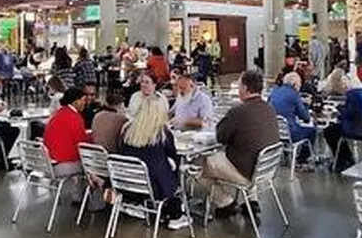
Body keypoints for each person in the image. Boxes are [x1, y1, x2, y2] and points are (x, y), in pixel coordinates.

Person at [201, 69, 279, 220]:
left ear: (244, 88)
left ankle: (225, 202)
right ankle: (252, 200)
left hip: (247, 173)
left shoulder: (238, 111)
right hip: (266, 170)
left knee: (200, 165)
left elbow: (220, 137)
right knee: (252, 152)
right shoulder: (269, 108)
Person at [119, 91, 190, 229]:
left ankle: (142, 206)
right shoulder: (162, 134)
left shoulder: (128, 130)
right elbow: (173, 156)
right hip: (156, 188)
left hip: (129, 185)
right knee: (174, 169)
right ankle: (176, 213)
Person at [43, 87, 93, 204]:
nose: (85, 103)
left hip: (47, 163)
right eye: (83, 99)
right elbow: (83, 144)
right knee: (89, 166)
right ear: (76, 101)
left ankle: (78, 196)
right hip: (62, 166)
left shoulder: (58, 115)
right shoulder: (75, 118)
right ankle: (81, 198)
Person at [324, 76, 362, 171]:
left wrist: (338, 108)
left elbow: (348, 113)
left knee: (329, 131)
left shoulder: (353, 95)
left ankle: (340, 161)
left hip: (356, 129)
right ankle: (347, 158)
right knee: (335, 131)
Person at [268, 72, 316, 164]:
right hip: (291, 133)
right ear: (295, 84)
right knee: (312, 131)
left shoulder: (274, 92)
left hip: (275, 132)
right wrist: (306, 105)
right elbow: (305, 117)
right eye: (299, 84)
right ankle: (302, 159)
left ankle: (286, 155)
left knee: (290, 126)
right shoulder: (294, 95)